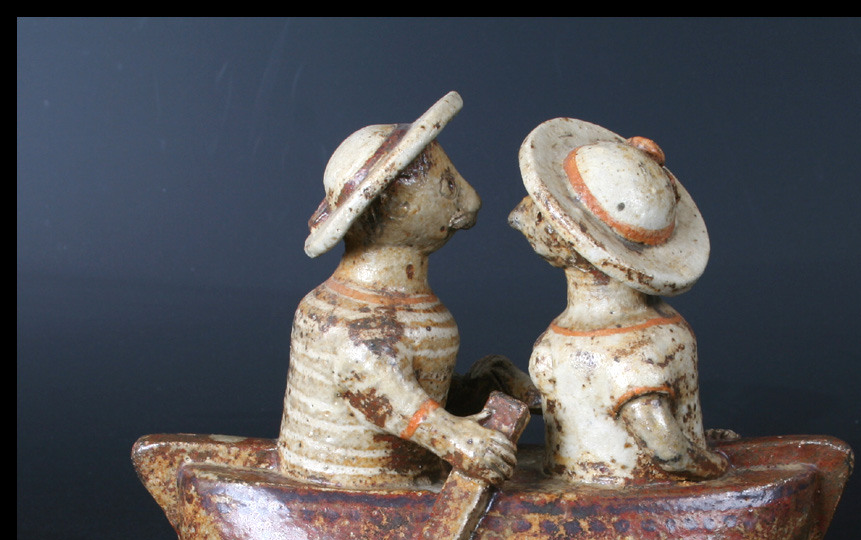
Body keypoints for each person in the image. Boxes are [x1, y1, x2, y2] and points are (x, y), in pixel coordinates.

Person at [277, 92, 516, 490]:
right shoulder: (355, 323)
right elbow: (383, 395)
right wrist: (455, 438)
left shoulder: (402, 311)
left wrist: (479, 389)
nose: (471, 198)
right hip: (350, 489)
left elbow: (413, 389)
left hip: (411, 478)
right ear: (394, 207)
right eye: (448, 186)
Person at [511, 119, 727, 485]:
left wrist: (711, 462)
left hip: (617, 495)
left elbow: (670, 453)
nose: (522, 216)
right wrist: (714, 462)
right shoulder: (658, 333)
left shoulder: (624, 349)